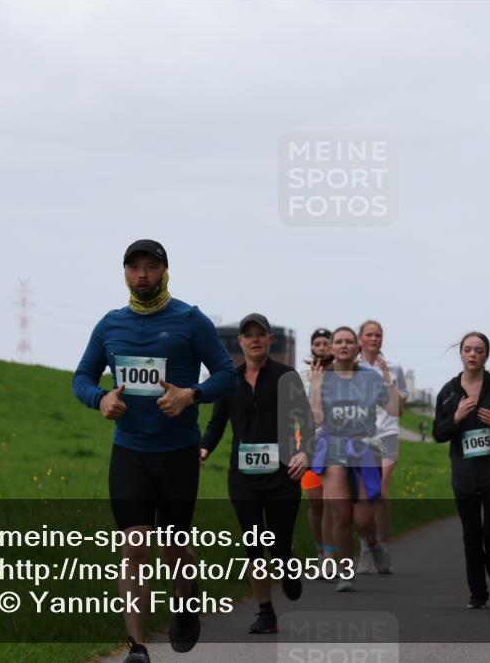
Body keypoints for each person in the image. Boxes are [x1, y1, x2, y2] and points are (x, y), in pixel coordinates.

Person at [72, 239, 238, 663]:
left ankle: (186, 597)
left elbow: (226, 376)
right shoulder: (110, 325)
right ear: (124, 273)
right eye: (134, 268)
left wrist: (192, 394)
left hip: (178, 453)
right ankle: (138, 647)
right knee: (135, 546)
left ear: (165, 270)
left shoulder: (190, 319)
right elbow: (83, 378)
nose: (142, 275)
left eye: (150, 267)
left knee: (173, 547)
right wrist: (101, 399)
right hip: (130, 453)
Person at [200, 313, 314, 634]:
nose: (254, 339)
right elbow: (215, 425)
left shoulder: (287, 377)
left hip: (283, 474)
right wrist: (204, 448)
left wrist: (305, 452)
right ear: (240, 342)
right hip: (243, 477)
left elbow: (306, 421)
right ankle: (265, 612)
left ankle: (286, 562)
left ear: (269, 340)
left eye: (260, 334)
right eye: (248, 335)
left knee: (278, 543)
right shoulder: (228, 381)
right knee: (253, 545)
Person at [433, 332, 490, 609]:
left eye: (479, 350)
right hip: (464, 476)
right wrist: (457, 417)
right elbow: (439, 433)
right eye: (468, 349)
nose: (473, 354)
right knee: (471, 536)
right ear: (461, 354)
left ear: (486, 355)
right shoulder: (448, 392)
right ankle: (477, 592)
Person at [310, 326, 402, 591]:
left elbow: (396, 409)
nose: (343, 345)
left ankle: (373, 544)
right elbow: (315, 418)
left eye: (349, 342)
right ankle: (346, 573)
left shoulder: (371, 378)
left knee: (362, 520)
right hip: (333, 447)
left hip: (364, 448)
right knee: (341, 515)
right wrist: (315, 389)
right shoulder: (322, 377)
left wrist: (388, 379)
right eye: (338, 342)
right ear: (331, 348)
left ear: (357, 348)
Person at [356, 320, 408, 574]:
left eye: (378, 335)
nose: (374, 339)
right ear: (360, 339)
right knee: (364, 495)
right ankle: (368, 549)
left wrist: (387, 378)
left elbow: (401, 405)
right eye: (369, 335)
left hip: (387, 434)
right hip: (361, 437)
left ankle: (380, 546)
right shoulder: (351, 366)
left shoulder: (395, 367)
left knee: (380, 491)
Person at [299, 328, 334, 565]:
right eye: (317, 343)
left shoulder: (342, 372)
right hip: (309, 439)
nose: (321, 347)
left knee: (332, 500)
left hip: (334, 440)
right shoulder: (302, 374)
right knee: (315, 501)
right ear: (312, 347)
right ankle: (320, 550)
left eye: (325, 343)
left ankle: (331, 554)